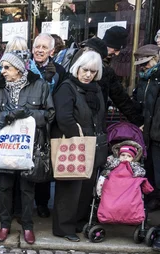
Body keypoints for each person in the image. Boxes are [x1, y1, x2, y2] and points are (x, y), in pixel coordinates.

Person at [0, 51, 55, 245]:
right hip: (6, 147)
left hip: (29, 147)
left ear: (18, 68)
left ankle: (27, 226)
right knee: (4, 188)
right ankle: (5, 225)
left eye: (6, 67)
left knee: (27, 189)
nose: (2, 71)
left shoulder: (39, 85)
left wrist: (28, 115)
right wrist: (7, 117)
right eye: (1, 67)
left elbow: (49, 114)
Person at [51, 51, 105, 241]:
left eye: (93, 71)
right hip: (76, 143)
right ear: (77, 68)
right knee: (70, 187)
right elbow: (64, 117)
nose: (88, 74)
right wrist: (79, 137)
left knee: (85, 187)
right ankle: (64, 227)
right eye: (85, 70)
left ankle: (79, 222)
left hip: (93, 142)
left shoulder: (96, 89)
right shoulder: (67, 87)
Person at [32, 33, 67, 218]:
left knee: (43, 162)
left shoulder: (59, 71)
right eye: (37, 46)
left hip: (47, 123)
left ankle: (42, 203)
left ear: (52, 51)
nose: (39, 50)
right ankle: (22, 204)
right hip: (28, 122)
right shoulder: (25, 66)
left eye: (44, 47)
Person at [133, 45, 160, 213]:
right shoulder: (144, 79)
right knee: (149, 168)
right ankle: (153, 198)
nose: (143, 67)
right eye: (141, 64)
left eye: (146, 63)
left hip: (156, 131)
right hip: (148, 131)